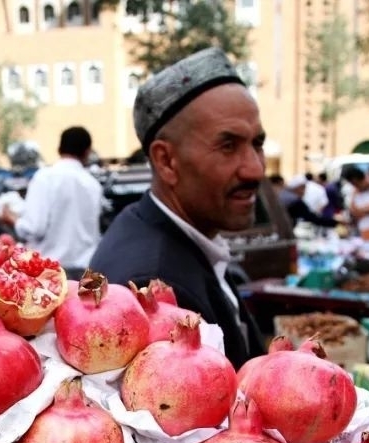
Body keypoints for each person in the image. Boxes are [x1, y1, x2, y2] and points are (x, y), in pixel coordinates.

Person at [88, 47, 267, 368]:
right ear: (166, 160)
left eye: (257, 144)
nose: (255, 169)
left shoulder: (170, 236)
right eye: (228, 146)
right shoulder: (153, 286)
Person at [1, 126, 103, 277]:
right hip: (85, 273)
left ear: (59, 149)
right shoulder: (93, 185)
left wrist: (12, 219)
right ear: (87, 152)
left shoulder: (44, 178)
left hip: (48, 273)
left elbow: (34, 228)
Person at [271, 174, 338, 229]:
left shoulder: (285, 194)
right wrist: (336, 222)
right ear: (296, 187)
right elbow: (312, 218)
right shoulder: (294, 200)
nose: (304, 192)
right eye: (303, 188)